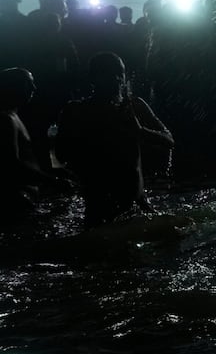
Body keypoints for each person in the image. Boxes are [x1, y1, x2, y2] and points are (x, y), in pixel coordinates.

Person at [56, 52, 174, 228]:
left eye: (119, 73)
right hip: (98, 206)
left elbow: (169, 140)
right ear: (93, 78)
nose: (117, 78)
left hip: (137, 204)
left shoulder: (135, 106)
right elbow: (61, 153)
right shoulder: (77, 111)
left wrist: (140, 131)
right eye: (108, 73)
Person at [0, 68, 69, 221]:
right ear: (11, 86)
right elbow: (11, 164)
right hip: (16, 201)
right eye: (27, 83)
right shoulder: (6, 120)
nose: (34, 88)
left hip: (25, 198)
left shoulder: (13, 115)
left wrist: (54, 173)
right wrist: (53, 181)